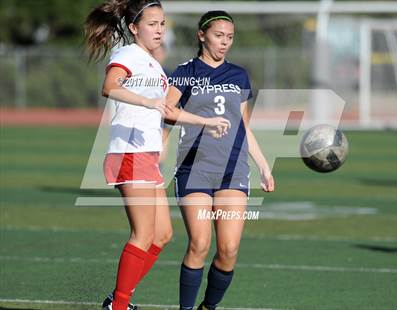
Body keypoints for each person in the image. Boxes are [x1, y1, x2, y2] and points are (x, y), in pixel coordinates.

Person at [84, 1, 230, 309]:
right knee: (143, 233)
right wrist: (146, 102)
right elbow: (110, 87)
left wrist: (206, 122)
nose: (159, 29)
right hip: (130, 151)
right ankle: (119, 306)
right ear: (135, 28)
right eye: (152, 24)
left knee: (162, 235)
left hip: (147, 154)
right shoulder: (128, 54)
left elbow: (168, 111)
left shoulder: (152, 63)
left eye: (162, 23)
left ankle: (118, 300)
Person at [164, 10, 275, 310]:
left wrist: (264, 165)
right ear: (202, 35)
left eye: (229, 37)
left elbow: (243, 126)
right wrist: (200, 123)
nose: (225, 42)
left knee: (228, 249)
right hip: (194, 169)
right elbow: (166, 110)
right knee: (199, 244)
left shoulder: (238, 75)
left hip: (232, 170)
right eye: (218, 35)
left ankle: (207, 307)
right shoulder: (186, 72)